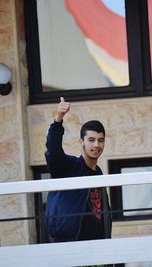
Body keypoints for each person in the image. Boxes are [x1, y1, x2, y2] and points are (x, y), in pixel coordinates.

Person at [44, 97, 111, 242]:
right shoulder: (69, 167)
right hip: (71, 244)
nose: (96, 145)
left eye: (100, 140)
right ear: (81, 142)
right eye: (91, 140)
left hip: (98, 247)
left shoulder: (99, 173)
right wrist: (58, 119)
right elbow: (53, 151)